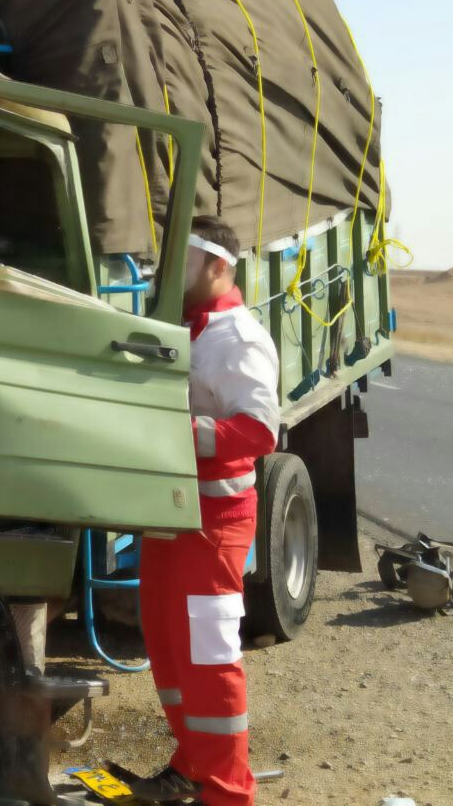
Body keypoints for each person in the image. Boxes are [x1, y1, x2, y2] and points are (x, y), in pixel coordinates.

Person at [123, 215, 280, 806]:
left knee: (209, 659)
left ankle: (227, 791)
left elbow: (261, 429)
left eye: (182, 260)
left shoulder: (236, 339)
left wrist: (178, 434)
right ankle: (192, 766)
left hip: (214, 524)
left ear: (219, 266)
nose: (168, 271)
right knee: (167, 647)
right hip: (170, 516)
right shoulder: (184, 328)